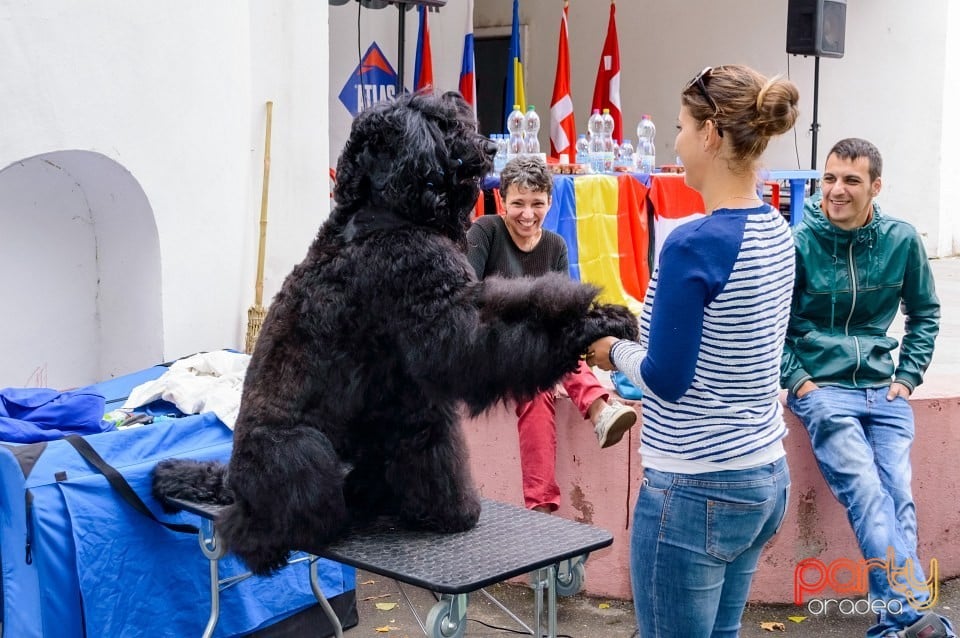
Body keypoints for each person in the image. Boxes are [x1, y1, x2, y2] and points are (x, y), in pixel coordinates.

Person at [585, 65, 798, 637]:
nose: (675, 141)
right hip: (763, 475)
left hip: (695, 488)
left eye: (681, 126)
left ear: (709, 134)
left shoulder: (693, 243)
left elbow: (665, 376)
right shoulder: (778, 230)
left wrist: (611, 352)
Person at [781, 138, 954, 638]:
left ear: (875, 186)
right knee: (866, 490)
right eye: (829, 178)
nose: (836, 190)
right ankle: (910, 616)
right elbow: (772, 324)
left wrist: (908, 376)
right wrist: (800, 381)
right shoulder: (798, 242)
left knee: (897, 495)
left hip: (884, 389)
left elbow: (925, 313)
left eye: (851, 180)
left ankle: (892, 625)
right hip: (824, 390)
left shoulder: (901, 240)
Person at [466, 155, 638, 514]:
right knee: (537, 371)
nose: (527, 214)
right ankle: (598, 407)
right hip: (493, 347)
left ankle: (542, 510)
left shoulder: (556, 246)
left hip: (541, 352)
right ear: (501, 201)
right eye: (518, 204)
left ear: (549, 201)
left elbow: (565, 311)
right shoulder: (485, 231)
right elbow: (471, 297)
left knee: (544, 374)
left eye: (537, 204)